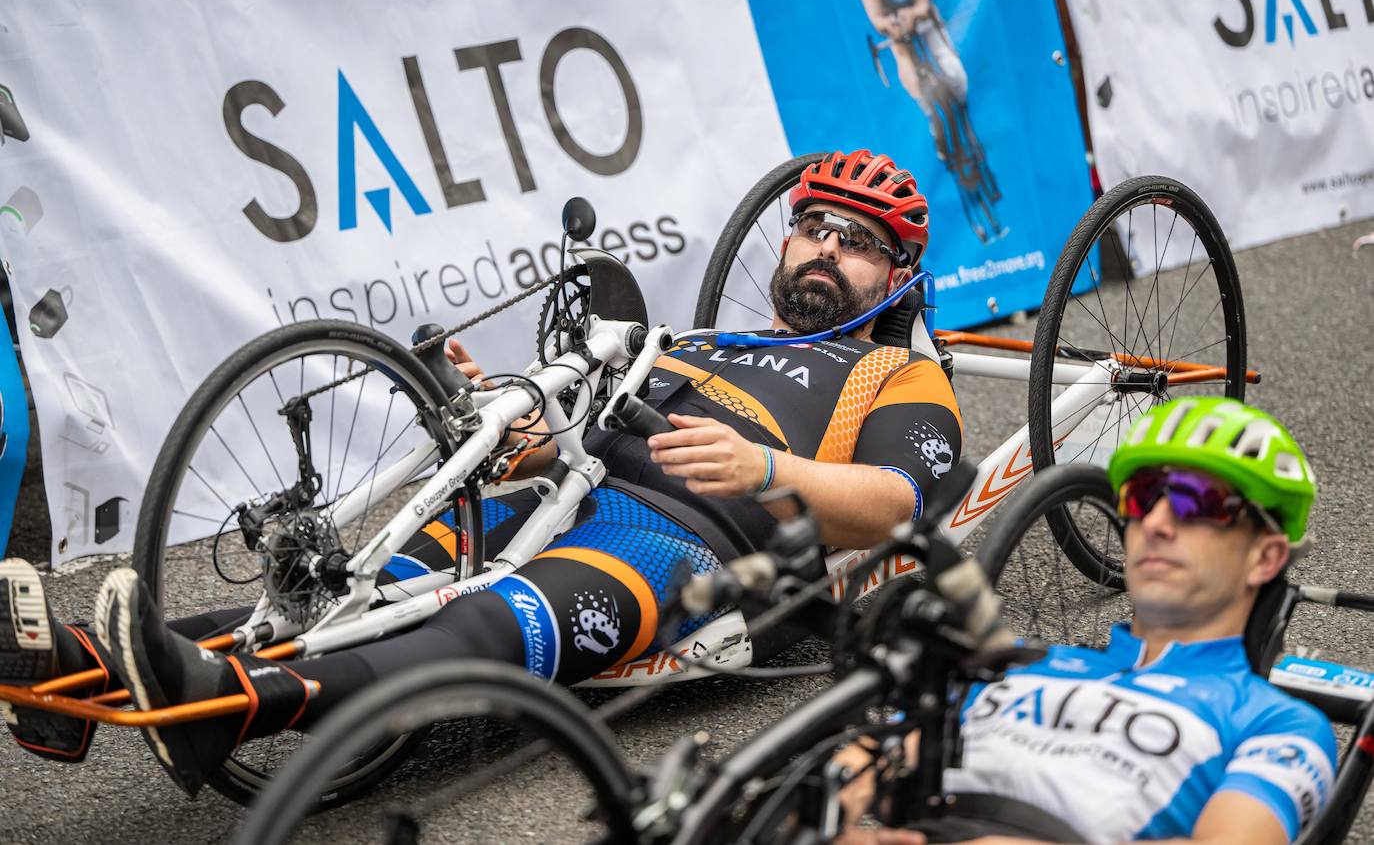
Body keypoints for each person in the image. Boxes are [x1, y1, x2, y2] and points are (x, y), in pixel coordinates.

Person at [1, 149, 966, 797]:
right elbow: (570, 439)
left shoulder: (901, 375)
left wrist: (762, 467)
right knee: (360, 586)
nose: (828, 252)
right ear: (788, 238)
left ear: (899, 279)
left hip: (677, 545)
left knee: (479, 621)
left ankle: (233, 709)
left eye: (862, 244)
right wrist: (514, 430)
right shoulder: (698, 340)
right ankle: (78, 663)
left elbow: (896, 506)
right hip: (560, 495)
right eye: (816, 228)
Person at [833, 398, 1337, 845]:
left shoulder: (1278, 724)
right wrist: (831, 805)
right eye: (1142, 499)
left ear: (1265, 558)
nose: (1156, 524)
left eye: (1195, 502)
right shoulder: (1019, 664)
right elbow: (877, 758)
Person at [850, 0, 1005, 243]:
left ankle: (969, 142)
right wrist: (891, 26)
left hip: (924, 21)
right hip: (899, 36)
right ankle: (943, 141)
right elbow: (875, 14)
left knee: (955, 75)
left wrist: (911, 15)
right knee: (920, 94)